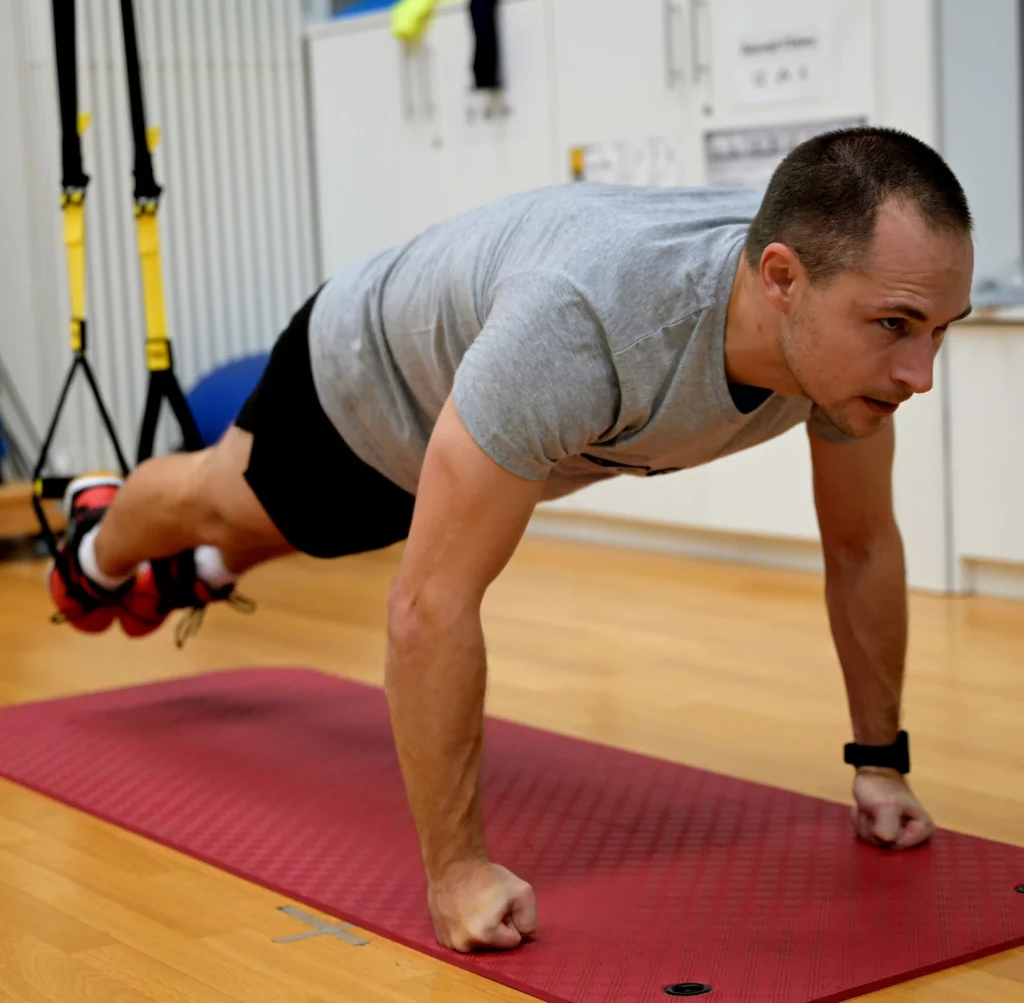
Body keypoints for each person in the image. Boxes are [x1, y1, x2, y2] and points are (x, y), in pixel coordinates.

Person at [47, 126, 974, 953]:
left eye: (938, 330)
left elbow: (860, 547)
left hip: (487, 423)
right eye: (896, 327)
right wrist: (456, 874)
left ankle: (196, 574)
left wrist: (880, 764)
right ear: (779, 277)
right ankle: (95, 546)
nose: (919, 372)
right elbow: (430, 605)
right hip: (366, 390)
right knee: (233, 503)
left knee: (292, 544)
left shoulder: (845, 324)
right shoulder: (582, 327)